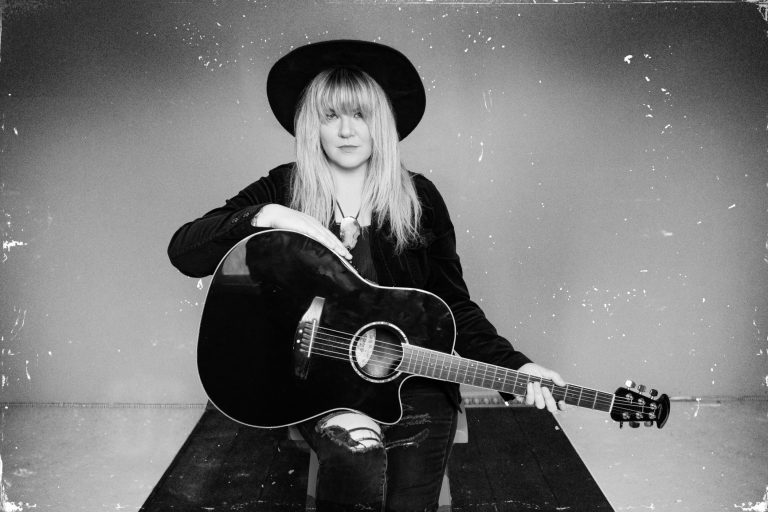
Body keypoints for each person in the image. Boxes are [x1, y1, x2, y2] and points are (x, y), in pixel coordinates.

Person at [168, 39, 566, 512]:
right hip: (318, 384)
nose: (346, 130)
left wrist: (516, 367)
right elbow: (185, 250)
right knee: (355, 457)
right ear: (311, 125)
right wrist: (267, 214)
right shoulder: (284, 186)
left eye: (360, 115)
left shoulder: (420, 198)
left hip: (414, 384)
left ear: (382, 123)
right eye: (330, 116)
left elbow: (453, 307)